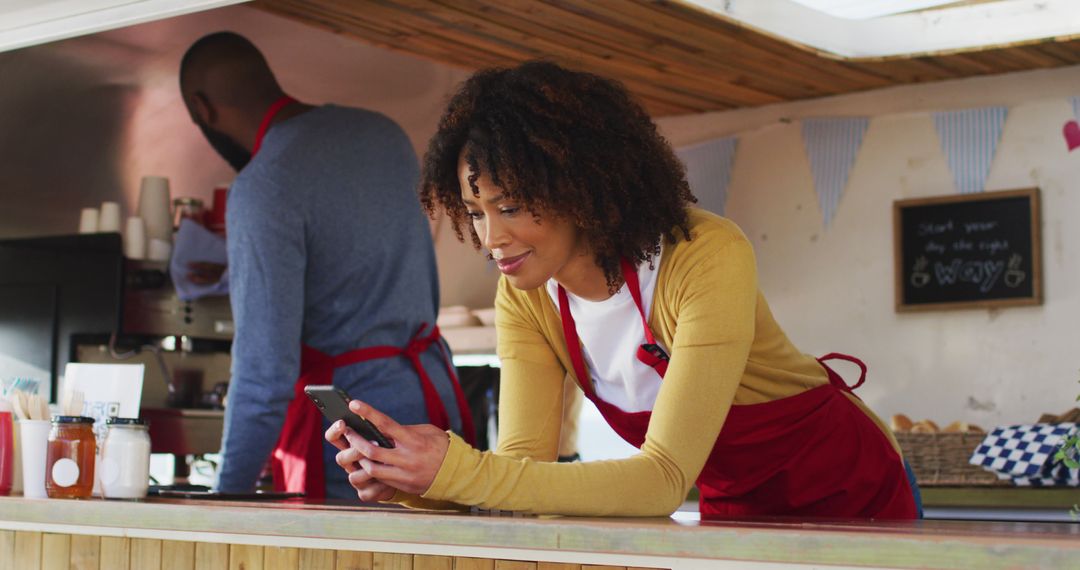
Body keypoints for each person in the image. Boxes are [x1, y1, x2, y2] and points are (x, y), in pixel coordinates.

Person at [326, 61, 918, 518]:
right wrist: (418, 483)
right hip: (736, 506)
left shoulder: (705, 255)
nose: (492, 238)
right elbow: (519, 476)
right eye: (476, 212)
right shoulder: (527, 296)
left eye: (510, 205)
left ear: (577, 186)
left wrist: (458, 469)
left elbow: (660, 480)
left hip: (849, 488)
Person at [178, 32, 474, 499]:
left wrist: (223, 500)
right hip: (436, 412)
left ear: (202, 109)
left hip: (358, 439)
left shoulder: (264, 185)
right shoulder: (382, 133)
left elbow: (263, 376)